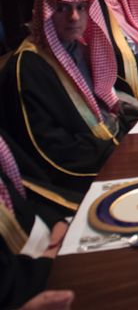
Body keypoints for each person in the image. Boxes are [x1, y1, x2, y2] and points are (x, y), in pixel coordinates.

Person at [0, 0, 126, 195]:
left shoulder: (78, 48)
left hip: (107, 148)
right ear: (45, 13)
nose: (75, 17)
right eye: (62, 8)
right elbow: (49, 149)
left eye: (81, 8)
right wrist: (118, 151)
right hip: (73, 178)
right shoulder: (27, 67)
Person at [0, 131, 74, 310]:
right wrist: (47, 260)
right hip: (27, 281)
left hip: (46, 240)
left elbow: (20, 193)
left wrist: (56, 221)